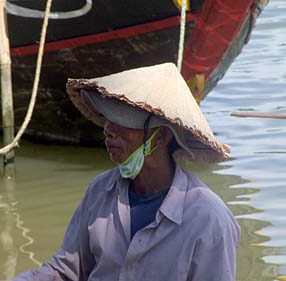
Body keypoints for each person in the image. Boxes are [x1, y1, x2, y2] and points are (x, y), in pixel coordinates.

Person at [13, 63, 240, 281]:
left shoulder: (208, 218)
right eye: (108, 119)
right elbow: (68, 272)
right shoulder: (101, 191)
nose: (109, 130)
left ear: (160, 137)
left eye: (123, 121)